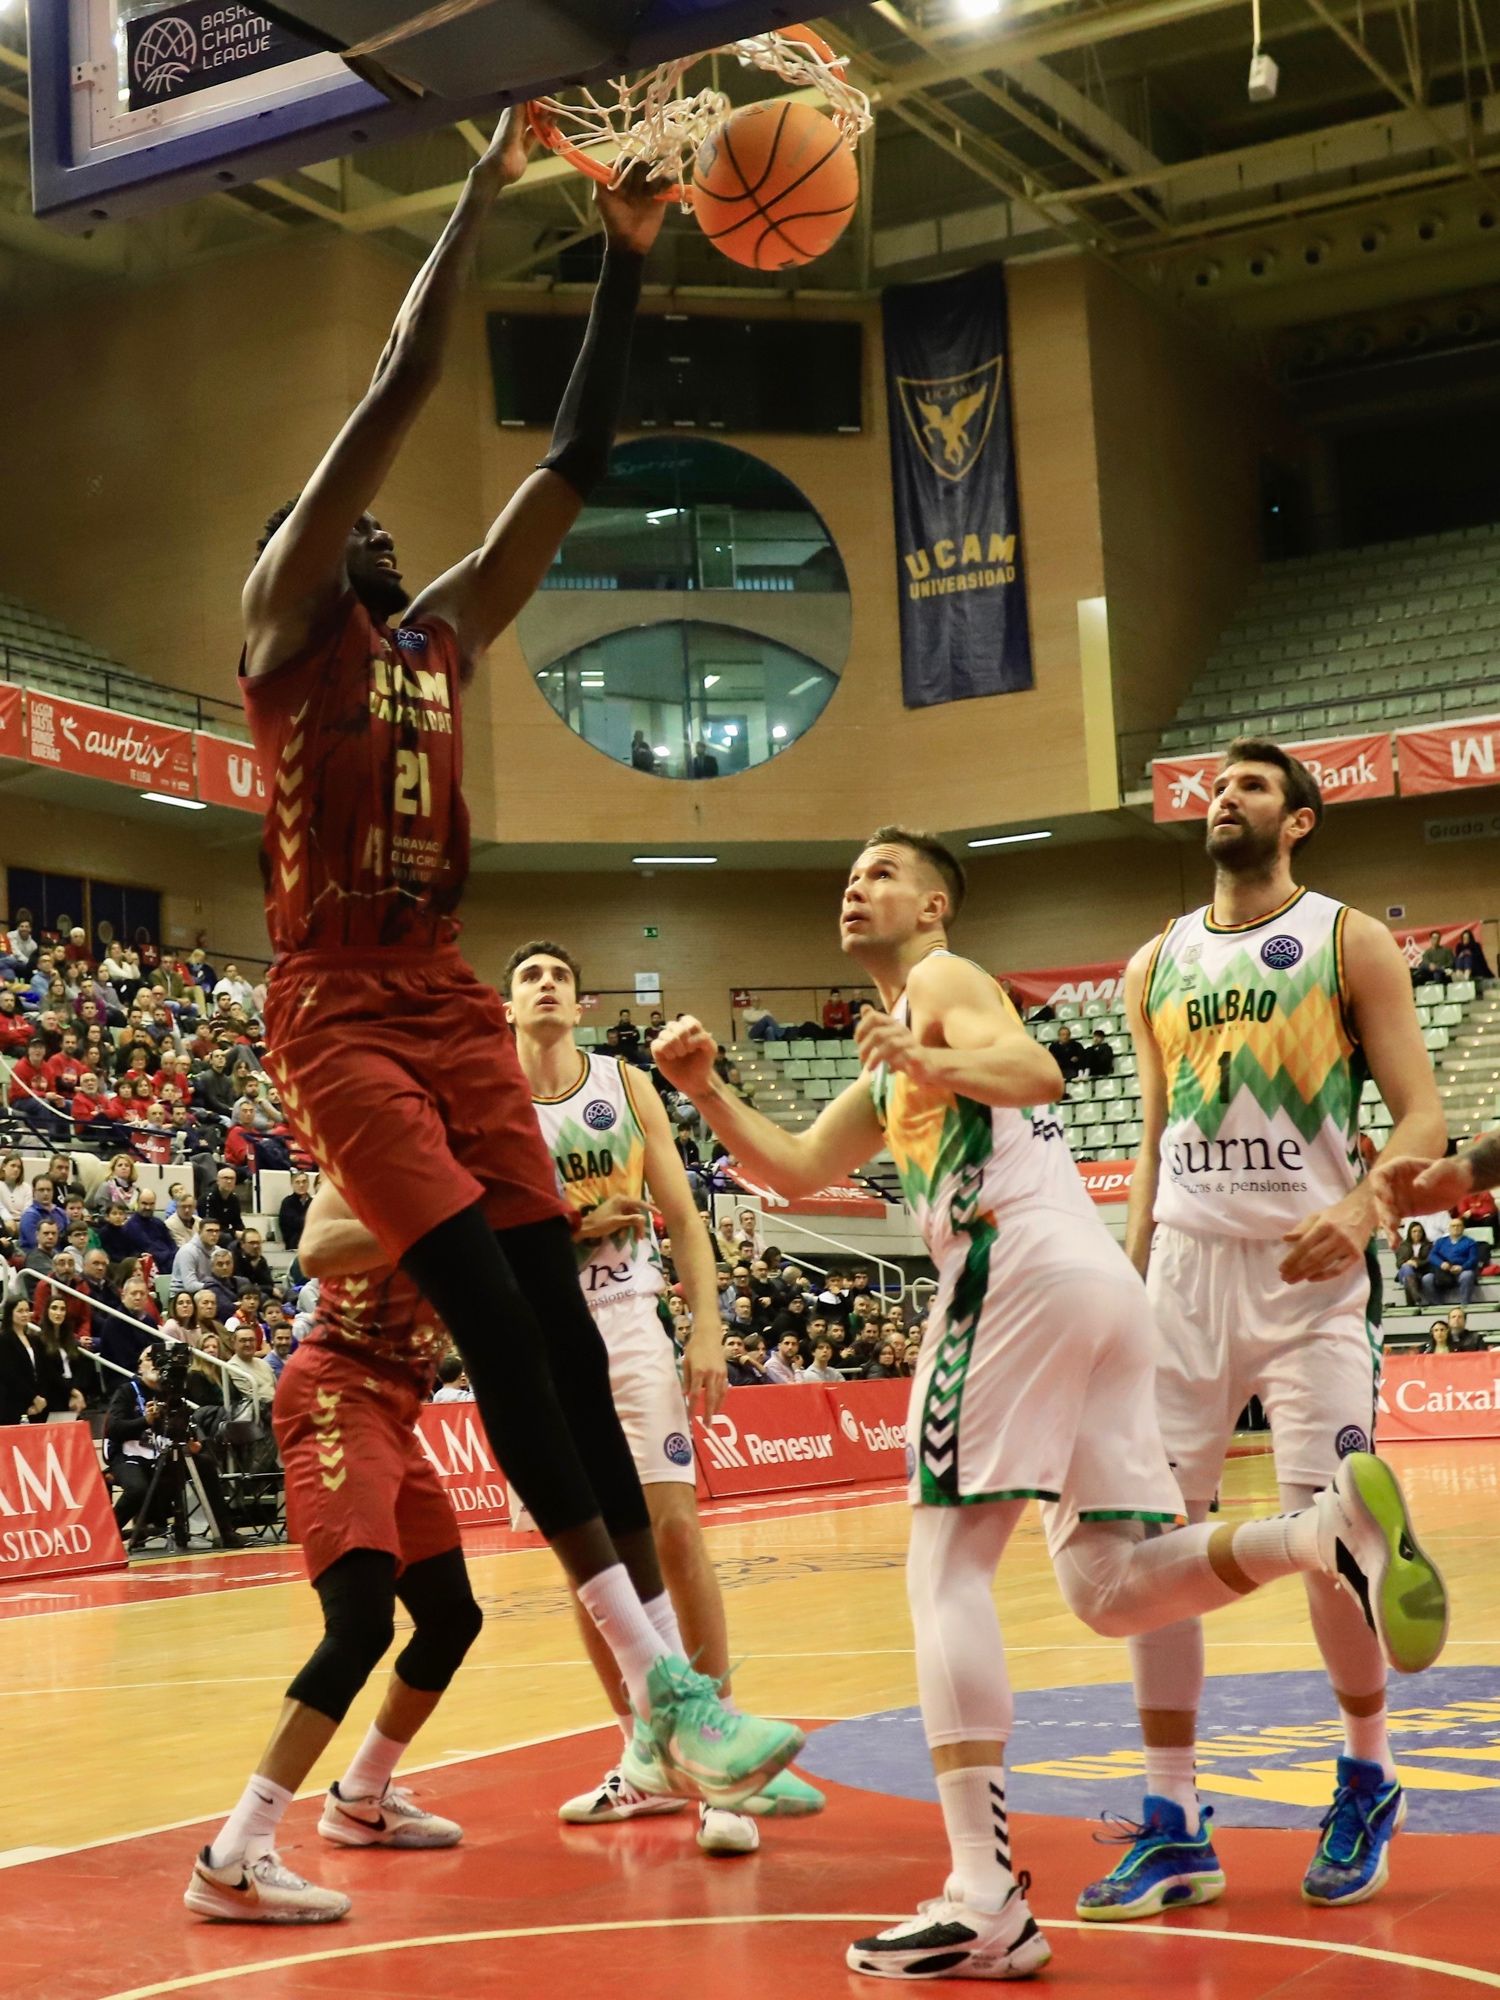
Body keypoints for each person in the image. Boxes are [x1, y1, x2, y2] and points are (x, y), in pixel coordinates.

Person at [238, 108, 793, 1833]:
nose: (387, 533)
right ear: (313, 545)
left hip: (444, 989)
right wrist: (487, 185)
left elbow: (579, 451)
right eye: (357, 525)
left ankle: (667, 1704)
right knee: (489, 1311)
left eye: (391, 534)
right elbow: (399, 383)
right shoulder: (280, 623)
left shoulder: (442, 635)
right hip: (335, 1004)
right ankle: (667, 1687)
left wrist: (627, 259)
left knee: (550, 1321)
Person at [653, 822, 1448, 1981]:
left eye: (881, 873)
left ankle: (983, 1896)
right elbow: (798, 1170)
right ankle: (1323, 1532)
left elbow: (1033, 1069)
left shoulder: (941, 981)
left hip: (1010, 1268)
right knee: (1112, 1587)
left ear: (935, 908)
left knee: (943, 1569)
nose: (853, 888)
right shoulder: (893, 1052)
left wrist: (935, 1062)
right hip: (1098, 1290)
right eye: (849, 875)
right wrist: (708, 1089)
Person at [1088, 738, 1448, 1924]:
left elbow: (1422, 1111)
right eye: (1217, 785)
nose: (1224, 797)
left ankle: (1366, 1772)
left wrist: (1365, 1201)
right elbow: (1145, 1143)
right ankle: (1174, 1817)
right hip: (1180, 1278)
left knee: (1341, 1534)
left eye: (1252, 785)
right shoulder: (1153, 962)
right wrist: (1122, 1288)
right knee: (1150, 1550)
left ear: (1299, 819)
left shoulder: (1348, 939)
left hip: (1311, 1273)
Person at [505, 939, 822, 1853]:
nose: (548, 987)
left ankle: (727, 1763)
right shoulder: (492, 1102)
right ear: (508, 1007)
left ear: (580, 999)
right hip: (541, 1338)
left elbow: (682, 1215)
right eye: (531, 977)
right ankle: (644, 1756)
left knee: (676, 1530)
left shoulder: (623, 1081)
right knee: (589, 1560)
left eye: (561, 975)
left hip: (631, 1321)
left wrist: (710, 1329)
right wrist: (569, 1235)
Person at [0, 1295, 48, 1426]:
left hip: (36, 1404)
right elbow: (10, 1374)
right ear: (10, 1314)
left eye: (27, 1310)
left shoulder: (34, 1339)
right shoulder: (4, 1340)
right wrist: (33, 1397)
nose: (25, 1314)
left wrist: (40, 1398)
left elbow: (40, 1370)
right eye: (20, 1311)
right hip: (13, 1403)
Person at [1420, 1214, 1483, 1307]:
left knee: (1467, 1275)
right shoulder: (1440, 1241)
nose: (1456, 1228)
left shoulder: (1470, 1242)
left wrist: (1462, 1267)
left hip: (1461, 1270)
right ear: (1449, 1229)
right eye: (1453, 1226)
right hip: (1442, 1271)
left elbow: (1473, 1259)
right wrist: (1441, 1264)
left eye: (1459, 1225)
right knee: (1426, 1279)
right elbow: (1432, 1255)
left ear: (1463, 1228)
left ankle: (1464, 1305)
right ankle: (1437, 1305)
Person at [1396, 1222, 1432, 1307]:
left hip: (1421, 1272)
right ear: (1410, 1233)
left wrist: (1417, 1263)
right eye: (1414, 1231)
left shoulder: (1429, 1245)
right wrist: (1408, 1263)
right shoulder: (1403, 1245)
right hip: (1404, 1271)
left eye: (1419, 1231)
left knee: (1407, 1280)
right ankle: (1415, 1295)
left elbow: (1430, 1260)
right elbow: (1399, 1263)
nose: (1417, 1234)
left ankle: (1411, 1304)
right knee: (1406, 1267)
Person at [279, 1170, 313, 1252]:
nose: (301, 1185)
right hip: (294, 1242)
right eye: (297, 1182)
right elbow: (294, 1223)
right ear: (292, 1185)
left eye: (304, 1182)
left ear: (308, 1183)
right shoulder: (287, 1202)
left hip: (313, 1239)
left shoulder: (314, 1202)